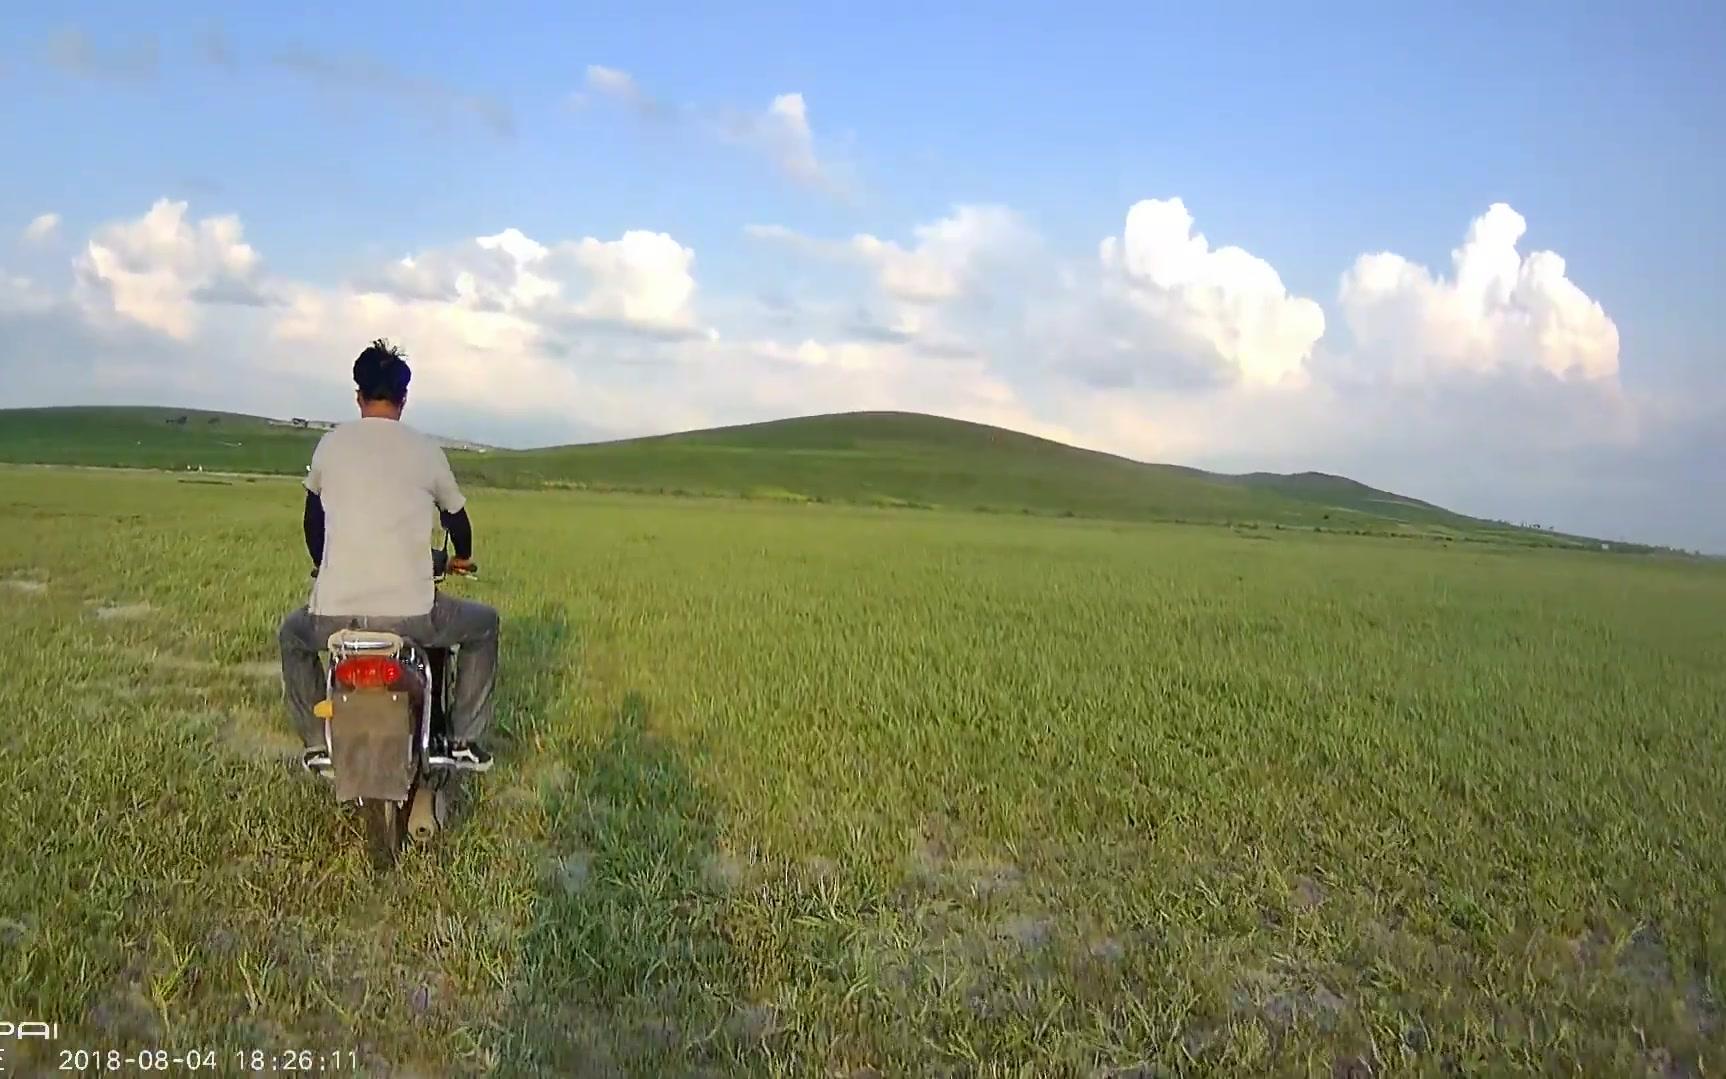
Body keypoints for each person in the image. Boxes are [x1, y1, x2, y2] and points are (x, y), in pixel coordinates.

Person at [278, 339, 498, 776]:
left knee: (292, 635)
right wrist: (462, 556)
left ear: (358, 394)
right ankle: (464, 741)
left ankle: (317, 744)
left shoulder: (331, 444)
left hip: (332, 616)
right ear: (404, 398)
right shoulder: (425, 449)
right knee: (484, 625)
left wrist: (323, 563)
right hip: (412, 615)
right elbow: (457, 519)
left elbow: (311, 517)